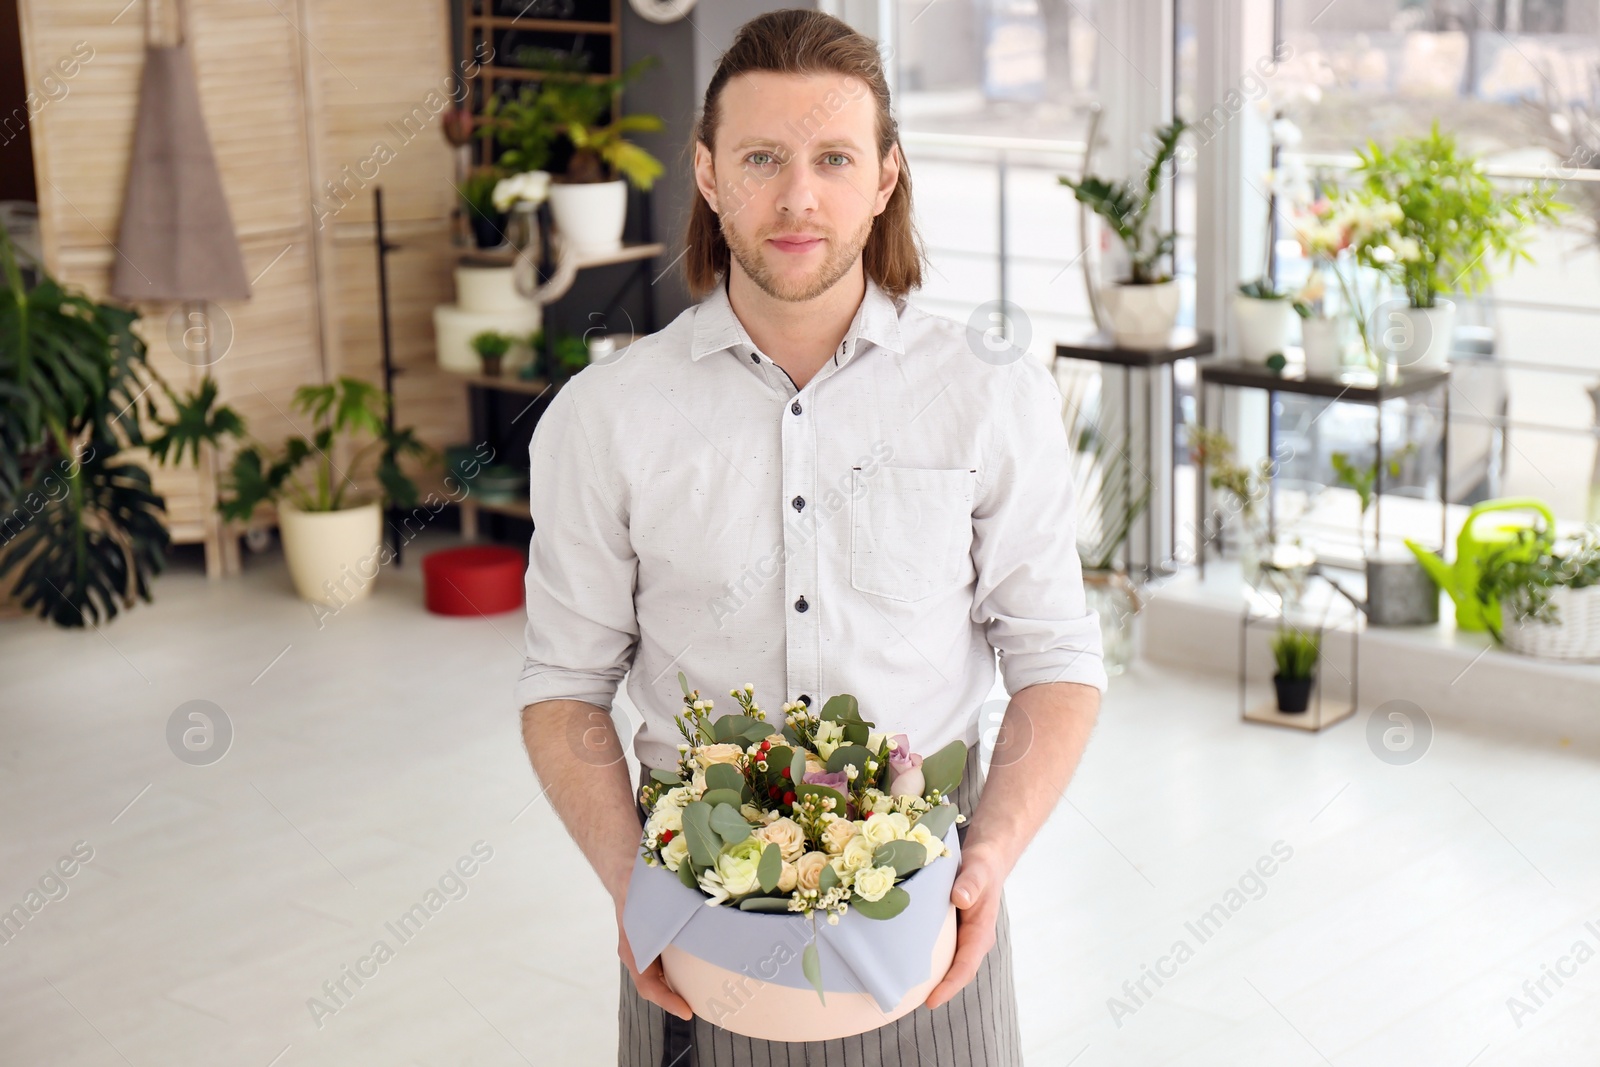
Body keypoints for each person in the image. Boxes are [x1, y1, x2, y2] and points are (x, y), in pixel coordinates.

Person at [517, 9, 1106, 1065]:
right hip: (695, 905)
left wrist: (987, 859)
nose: (797, 196)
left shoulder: (986, 393)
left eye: (833, 157)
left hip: (926, 902)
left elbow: (1056, 658)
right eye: (760, 158)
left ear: (886, 176)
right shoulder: (604, 418)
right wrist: (629, 881)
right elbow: (564, 688)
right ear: (706, 173)